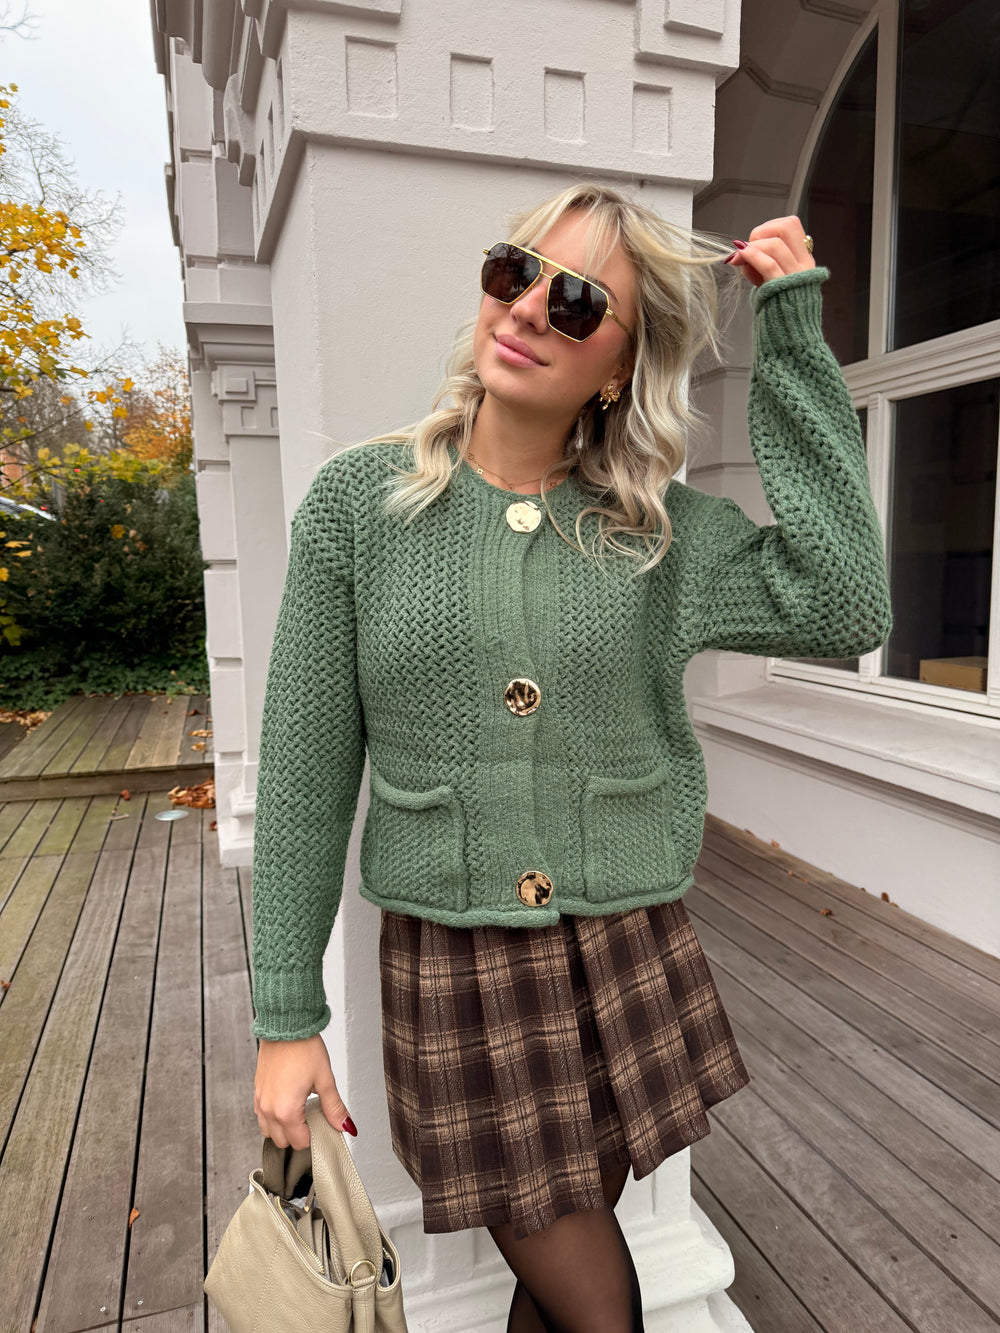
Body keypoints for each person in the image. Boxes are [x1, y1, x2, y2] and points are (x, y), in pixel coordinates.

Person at [250, 183, 893, 1333]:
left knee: (556, 1284)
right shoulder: (360, 505)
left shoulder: (656, 533)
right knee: (594, 1304)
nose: (528, 308)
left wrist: (792, 331)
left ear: (619, 365)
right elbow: (305, 774)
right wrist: (286, 1017)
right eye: (515, 270)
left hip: (619, 948)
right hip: (460, 968)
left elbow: (844, 599)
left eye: (579, 300)